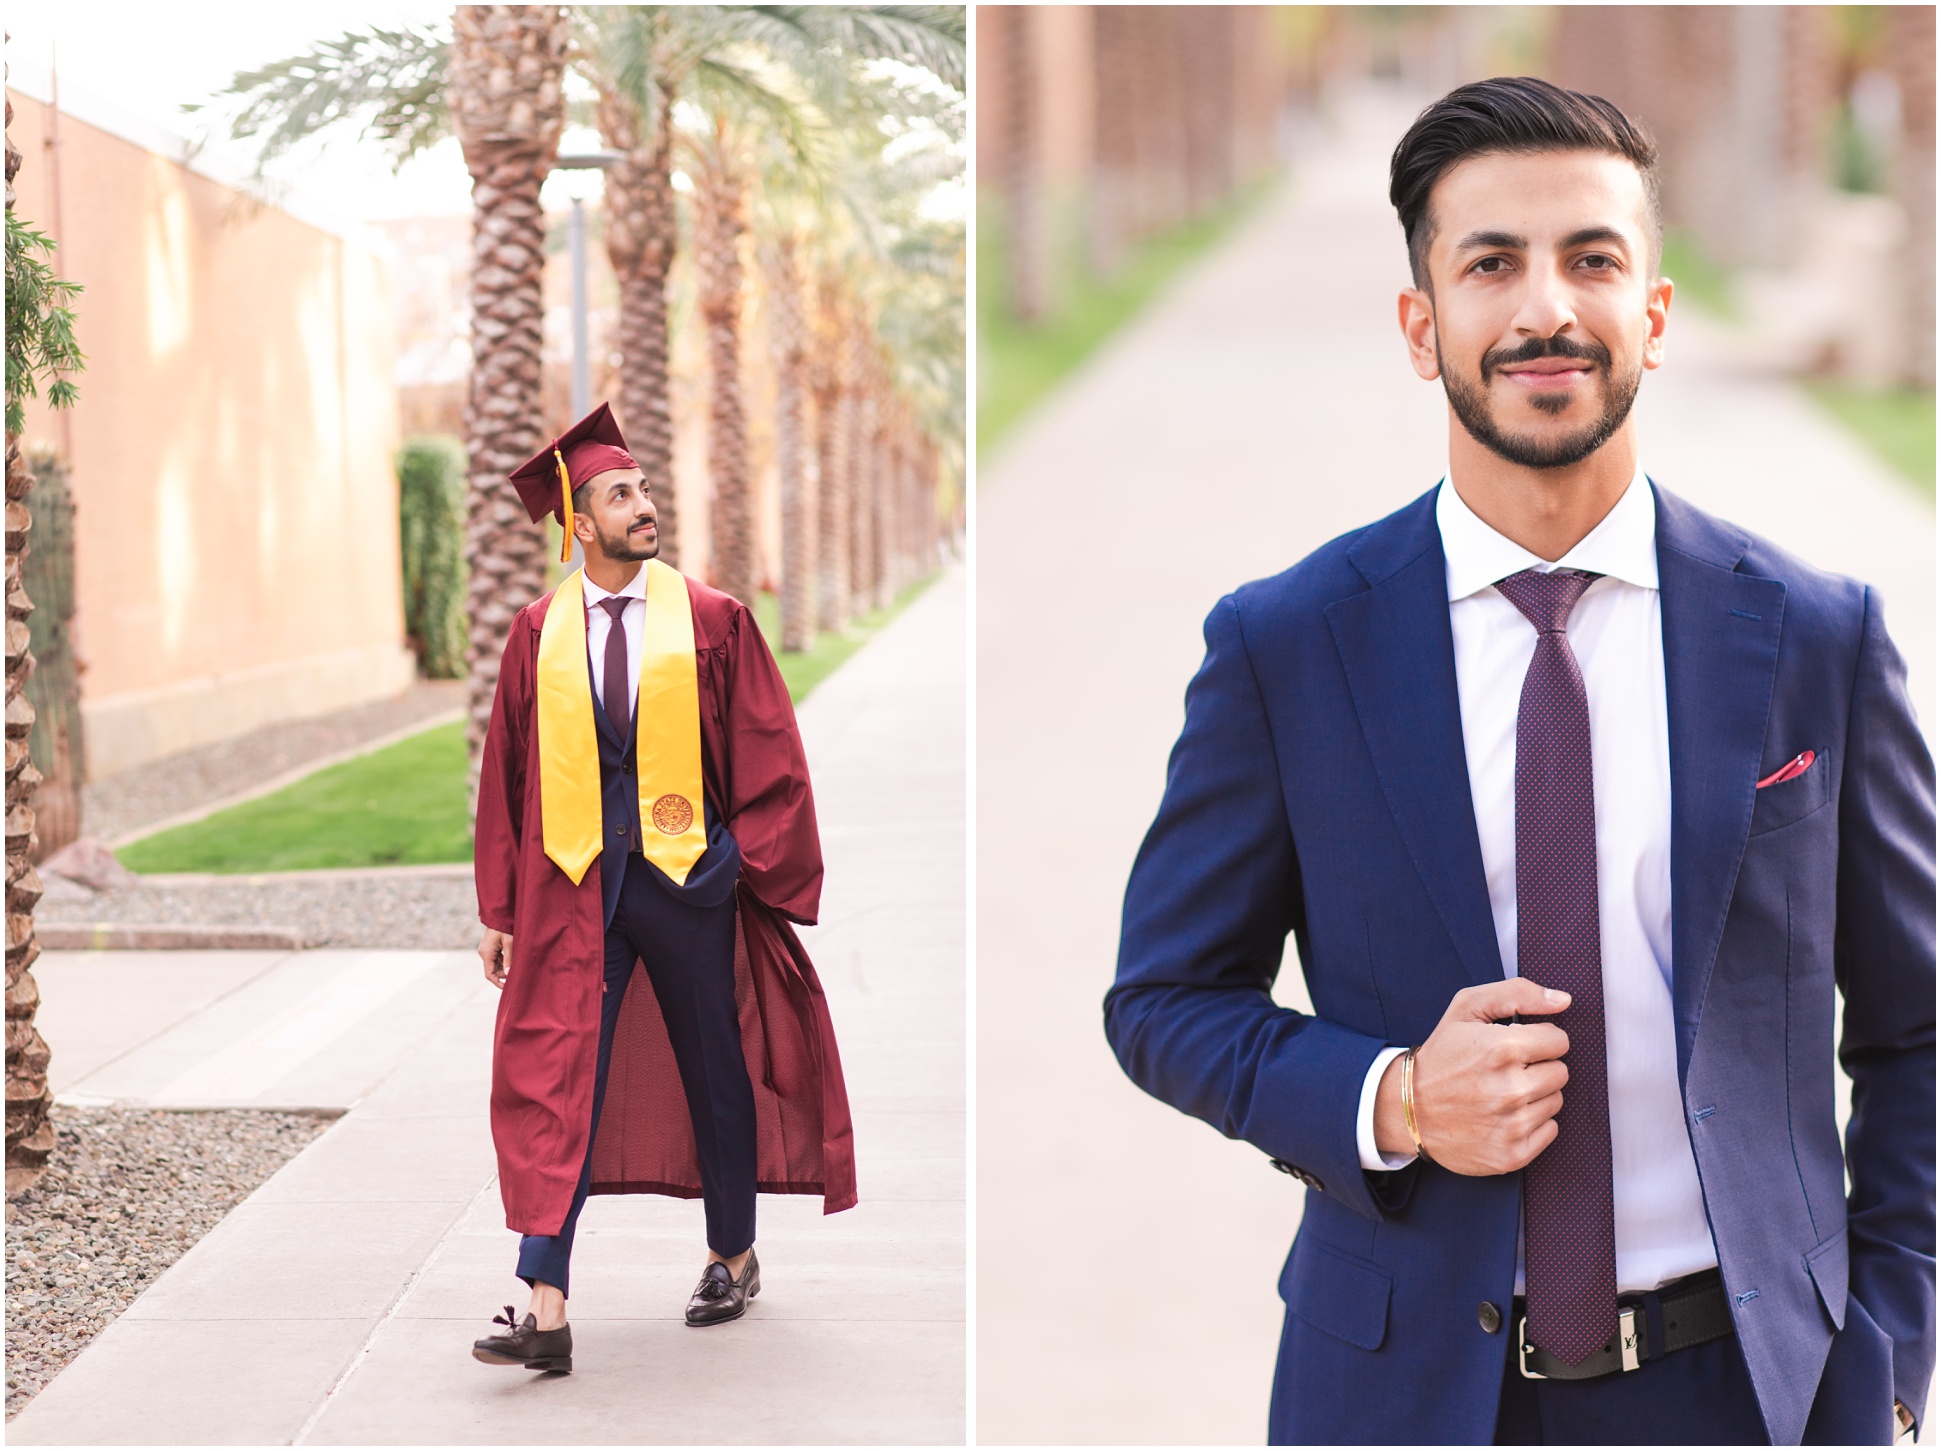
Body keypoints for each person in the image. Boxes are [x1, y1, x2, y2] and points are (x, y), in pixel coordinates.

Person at [1105, 77, 1932, 1445]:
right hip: (1406, 1394)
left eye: (1592, 258)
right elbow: (1163, 995)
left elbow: (1915, 1026)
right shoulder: (1288, 644)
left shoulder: (1812, 636)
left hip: (1753, 1392)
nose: (1545, 307)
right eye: (1491, 263)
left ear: (1652, 317)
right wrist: (1396, 1097)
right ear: (1422, 326)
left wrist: (1892, 1341)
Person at [468, 402, 857, 1374]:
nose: (645, 506)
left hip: (685, 882)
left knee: (713, 1069)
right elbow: (508, 774)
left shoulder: (713, 620)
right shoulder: (537, 634)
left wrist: (736, 860)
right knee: (562, 1077)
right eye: (620, 494)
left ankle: (733, 1252)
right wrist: (498, 907)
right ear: (579, 522)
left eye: (642, 488)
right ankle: (545, 1301)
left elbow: (774, 752)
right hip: (576, 891)